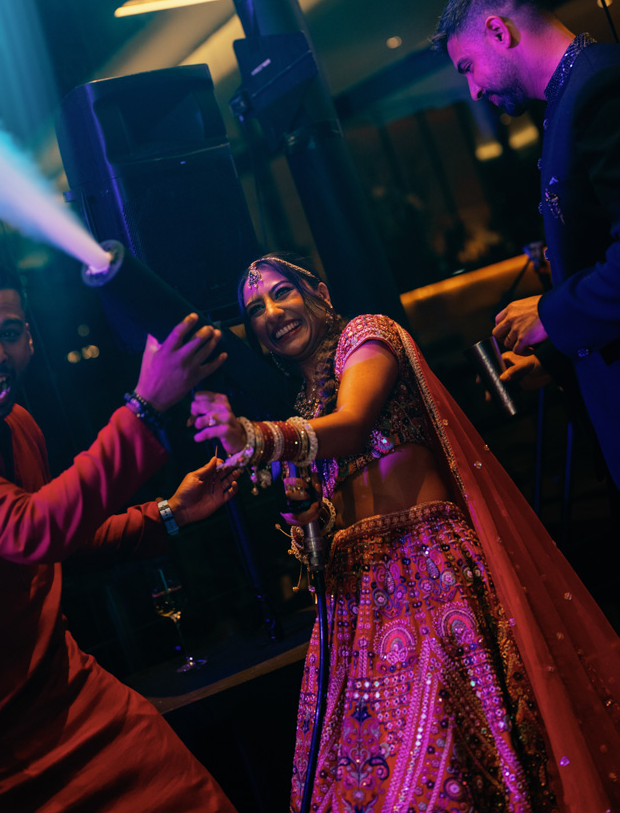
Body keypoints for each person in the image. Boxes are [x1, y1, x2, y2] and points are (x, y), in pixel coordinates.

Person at [189, 253, 620, 812]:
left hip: (426, 575)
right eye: (255, 310)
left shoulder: (367, 337)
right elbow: (328, 523)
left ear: (319, 292)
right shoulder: (303, 408)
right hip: (355, 604)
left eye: (282, 292)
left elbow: (354, 426)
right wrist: (312, 521)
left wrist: (255, 437)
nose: (272, 313)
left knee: (445, 769)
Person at [0, 257, 240, 813]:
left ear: (30, 341)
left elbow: (63, 539)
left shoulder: (19, 425)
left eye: (10, 333)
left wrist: (168, 514)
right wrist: (144, 407)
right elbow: (30, 529)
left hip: (68, 697)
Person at [433, 0, 620, 487]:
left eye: (468, 67)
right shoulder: (570, 96)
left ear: (499, 31)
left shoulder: (599, 87)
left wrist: (549, 313)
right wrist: (557, 356)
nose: (472, 90)